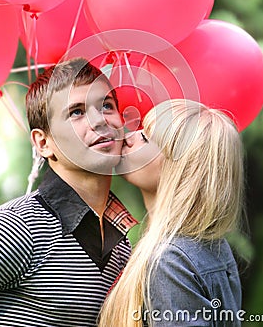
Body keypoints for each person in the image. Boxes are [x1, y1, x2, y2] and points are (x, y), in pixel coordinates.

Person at [0, 57, 137, 327]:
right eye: (76, 112)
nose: (99, 121)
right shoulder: (15, 228)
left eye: (106, 105)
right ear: (43, 142)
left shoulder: (121, 247)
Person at [98, 99, 245, 327]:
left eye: (145, 137)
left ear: (181, 169)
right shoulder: (213, 247)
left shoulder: (170, 260)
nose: (127, 137)